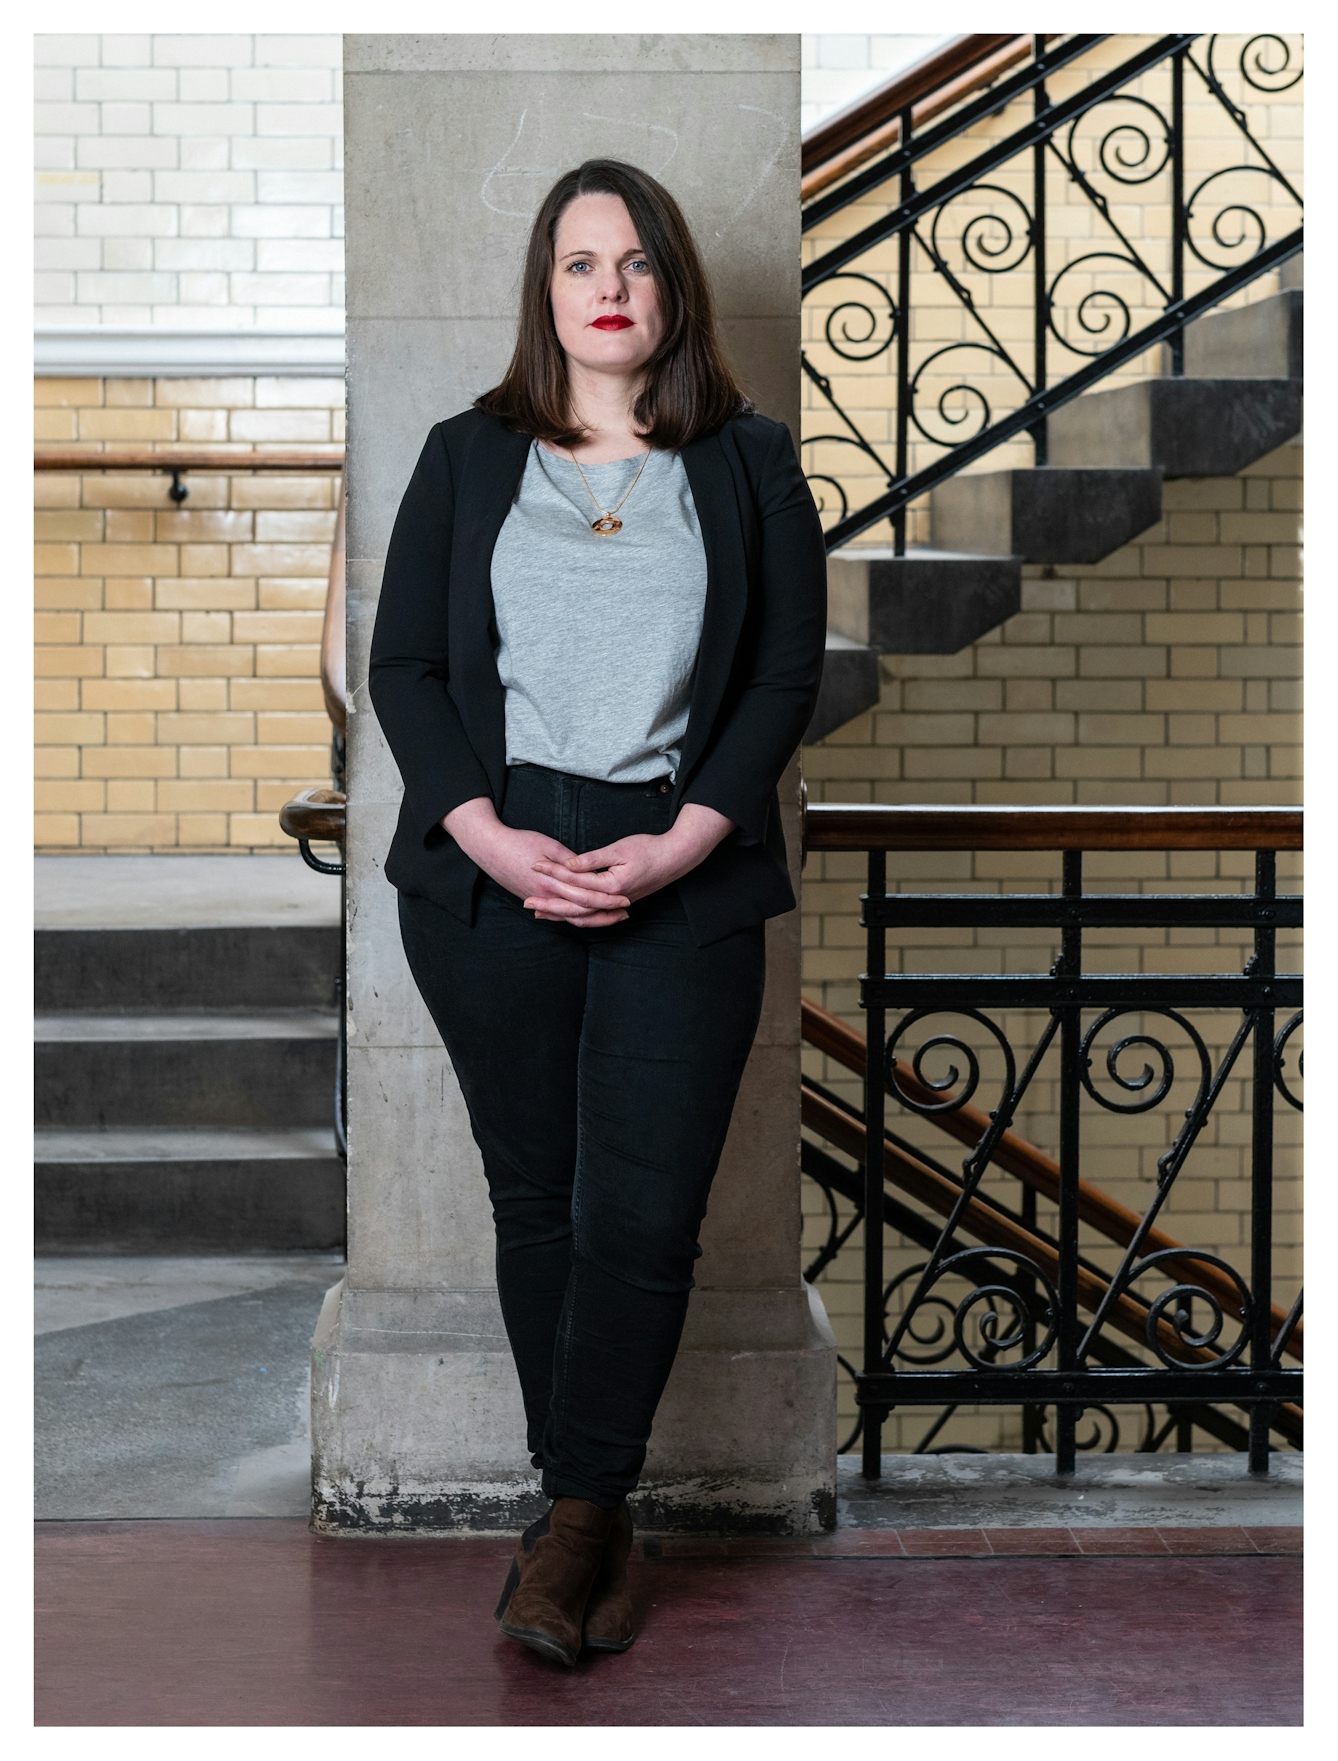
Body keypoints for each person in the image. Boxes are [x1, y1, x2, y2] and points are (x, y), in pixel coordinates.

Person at [368, 158, 827, 1667]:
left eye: (631, 259)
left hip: (671, 864)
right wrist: (492, 840)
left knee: (642, 1215)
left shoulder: (748, 464)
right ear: (544, 291)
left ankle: (577, 1514)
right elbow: (410, 672)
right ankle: (583, 1512)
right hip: (496, 867)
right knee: (539, 1197)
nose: (607, 284)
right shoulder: (469, 454)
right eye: (576, 262)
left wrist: (685, 840)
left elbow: (775, 680)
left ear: (671, 285)